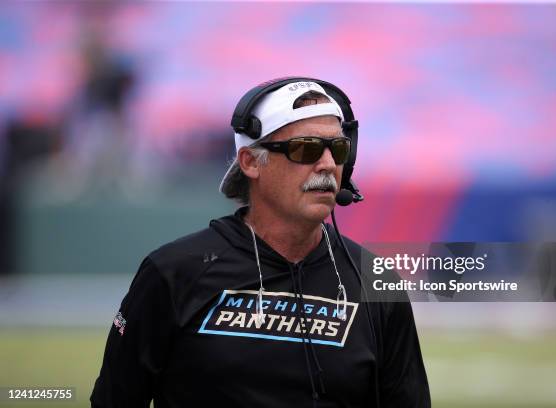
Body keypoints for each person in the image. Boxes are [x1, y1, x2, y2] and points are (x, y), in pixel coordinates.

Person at [91, 78, 430, 407]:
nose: (327, 164)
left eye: (337, 148)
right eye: (306, 148)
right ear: (251, 162)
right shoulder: (173, 273)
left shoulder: (375, 280)